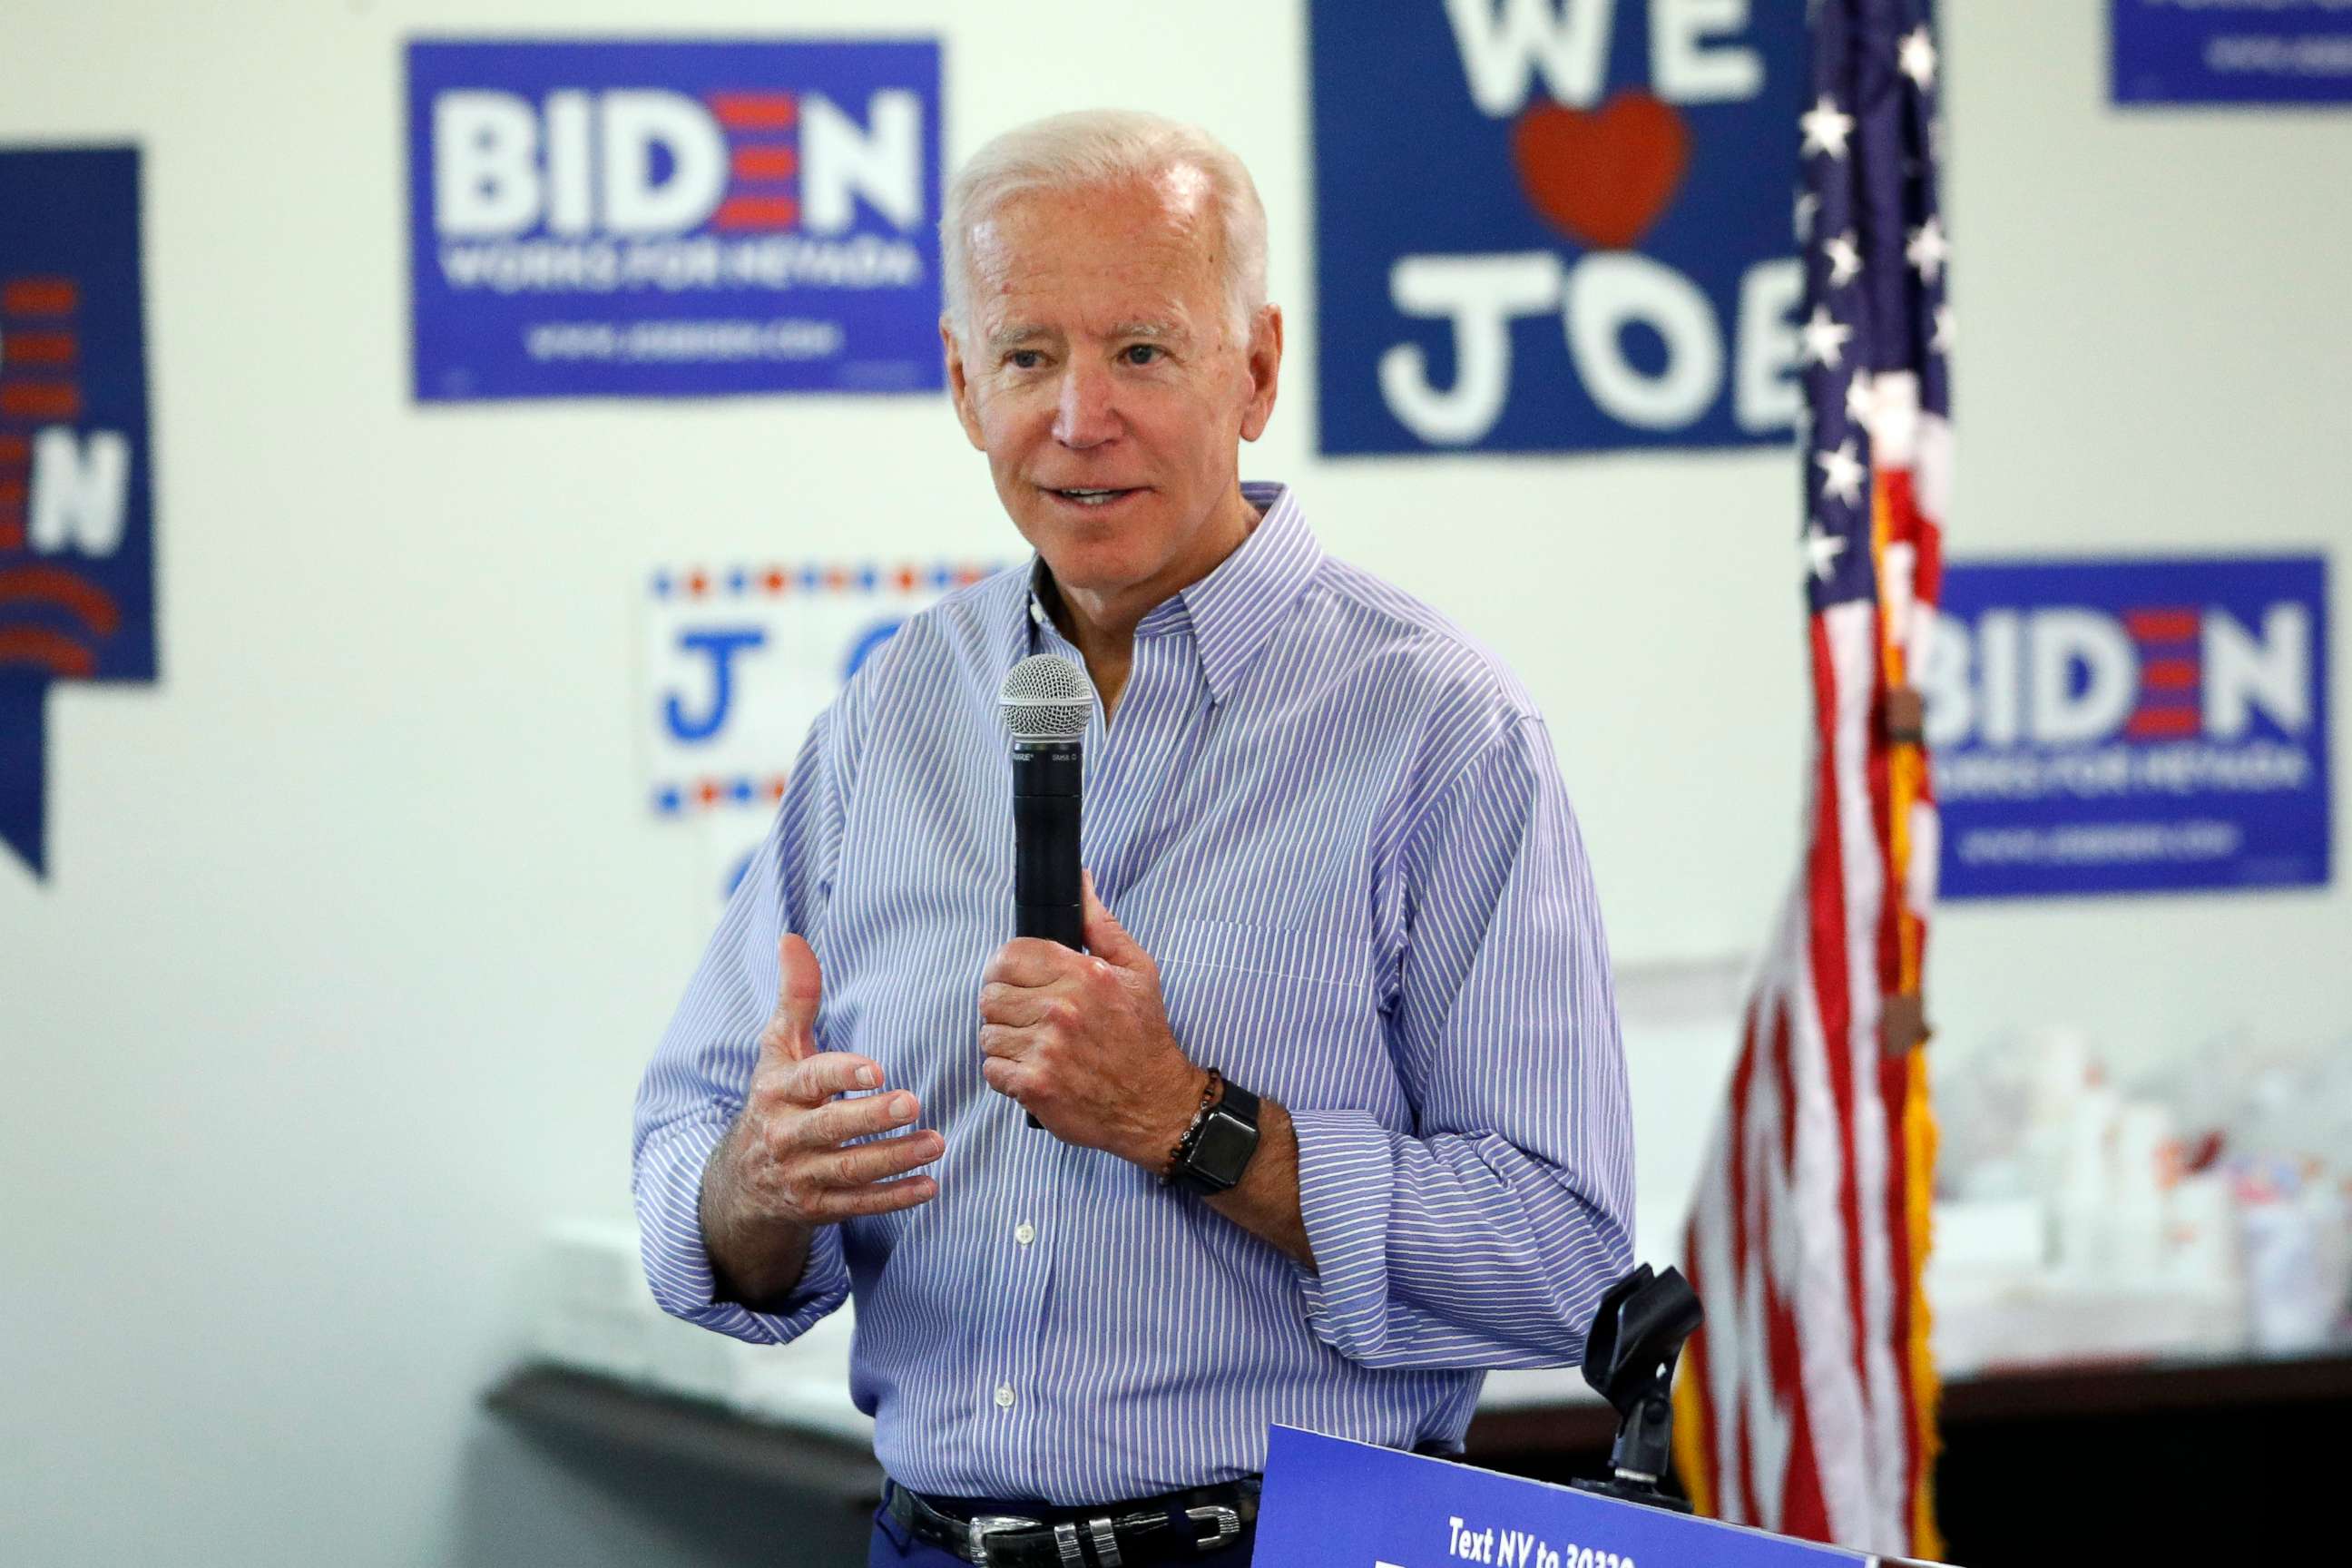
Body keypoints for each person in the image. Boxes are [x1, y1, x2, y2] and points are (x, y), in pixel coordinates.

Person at [632, 109, 1634, 1567]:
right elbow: (687, 1186)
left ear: (1260, 370)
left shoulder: (1437, 728)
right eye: (1029, 356)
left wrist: (1190, 1122)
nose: (1078, 418)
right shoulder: (891, 713)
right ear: (963, 385)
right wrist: (759, 1187)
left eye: (1143, 352)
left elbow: (1564, 1261)